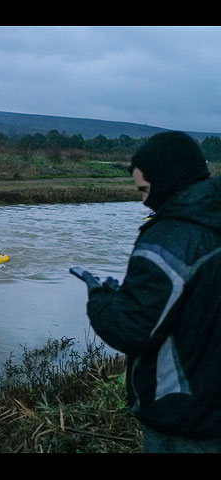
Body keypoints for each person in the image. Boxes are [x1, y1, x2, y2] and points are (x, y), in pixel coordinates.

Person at [79, 131, 221, 452]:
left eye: (145, 189)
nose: (143, 199)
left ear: (168, 180)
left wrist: (100, 298)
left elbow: (132, 329)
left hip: (183, 417)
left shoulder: (168, 239)